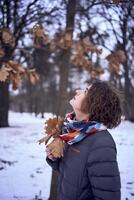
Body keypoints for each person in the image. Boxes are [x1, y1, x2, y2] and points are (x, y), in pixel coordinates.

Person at [46, 80, 121, 200]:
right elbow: (72, 174)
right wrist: (54, 159)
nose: (78, 91)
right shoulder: (74, 133)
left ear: (95, 103)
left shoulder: (101, 144)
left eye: (86, 91)